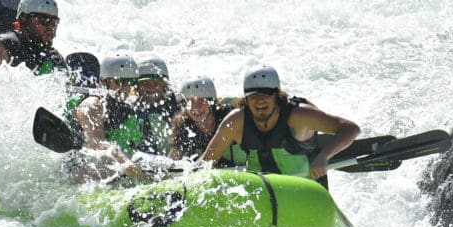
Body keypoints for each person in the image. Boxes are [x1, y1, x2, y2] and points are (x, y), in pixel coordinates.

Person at [200, 64, 360, 181]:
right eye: (254, 95)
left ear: (277, 95)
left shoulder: (300, 116)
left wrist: (324, 155)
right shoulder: (236, 121)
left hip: (307, 192)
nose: (260, 100)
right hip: (259, 194)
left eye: (266, 94)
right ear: (246, 99)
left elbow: (350, 128)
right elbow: (206, 163)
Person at [67, 54, 145, 181]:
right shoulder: (92, 104)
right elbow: (96, 144)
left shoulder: (127, 110)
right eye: (119, 81)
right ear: (103, 82)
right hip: (79, 172)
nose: (125, 87)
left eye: (130, 82)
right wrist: (126, 163)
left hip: (113, 170)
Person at [168, 76, 246, 166]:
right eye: (189, 101)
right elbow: (171, 163)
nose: (195, 107)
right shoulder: (184, 126)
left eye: (201, 100)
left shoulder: (231, 117)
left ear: (211, 101)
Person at [0, 0, 65, 74]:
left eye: (54, 22)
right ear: (23, 18)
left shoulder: (55, 58)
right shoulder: (1, 45)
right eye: (44, 20)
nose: (50, 26)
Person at [132, 55, 181, 155]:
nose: (151, 88)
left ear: (164, 85)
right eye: (145, 83)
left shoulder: (178, 105)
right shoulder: (131, 107)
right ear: (137, 86)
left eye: (156, 83)